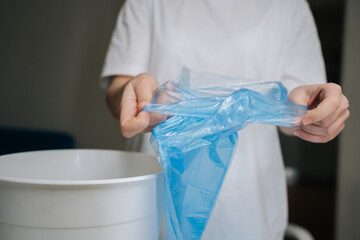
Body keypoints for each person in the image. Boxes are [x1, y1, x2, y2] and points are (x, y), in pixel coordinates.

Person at [101, 0, 350, 239]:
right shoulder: (147, 2)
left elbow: (300, 103)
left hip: (248, 211)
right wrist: (137, 95)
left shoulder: (289, 6)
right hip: (152, 203)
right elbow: (119, 89)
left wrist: (310, 110)